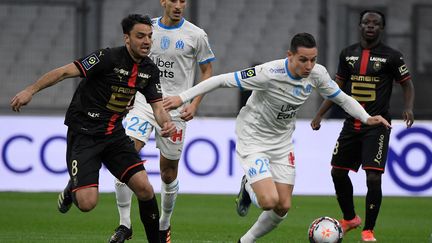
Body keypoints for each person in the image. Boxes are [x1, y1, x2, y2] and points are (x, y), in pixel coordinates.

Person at [163, 32, 391, 243]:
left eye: (313, 59)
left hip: (282, 143)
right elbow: (221, 80)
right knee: (268, 201)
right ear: (289, 55)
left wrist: (366, 117)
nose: (309, 66)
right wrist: (183, 97)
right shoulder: (268, 73)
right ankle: (247, 185)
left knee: (283, 206)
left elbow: (341, 98)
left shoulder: (317, 74)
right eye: (303, 59)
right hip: (253, 138)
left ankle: (245, 241)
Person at [10, 14, 176, 243]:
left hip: (114, 135)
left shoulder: (149, 69)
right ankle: (73, 188)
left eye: (149, 36)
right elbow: (64, 72)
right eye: (140, 36)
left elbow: (157, 107)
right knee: (87, 204)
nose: (146, 41)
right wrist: (31, 90)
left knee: (145, 188)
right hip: (85, 133)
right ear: (127, 38)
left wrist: (165, 123)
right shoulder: (107, 58)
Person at [109, 0, 215, 242]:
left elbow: (207, 71)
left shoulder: (196, 35)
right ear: (163, 2)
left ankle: (163, 225)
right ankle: (124, 224)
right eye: (173, 0)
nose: (178, 5)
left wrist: (194, 103)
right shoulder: (148, 30)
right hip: (144, 104)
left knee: (168, 174)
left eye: (183, 1)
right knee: (124, 158)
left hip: (175, 110)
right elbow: (131, 61)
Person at [310, 10, 415, 242]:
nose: (370, 26)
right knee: (337, 172)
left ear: (382, 28)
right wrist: (319, 114)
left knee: (373, 178)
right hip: (351, 124)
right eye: (366, 22)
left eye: (375, 23)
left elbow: (407, 85)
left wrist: (408, 107)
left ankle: (369, 230)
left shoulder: (393, 57)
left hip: (377, 126)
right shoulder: (347, 54)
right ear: (360, 26)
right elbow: (335, 90)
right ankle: (350, 218)